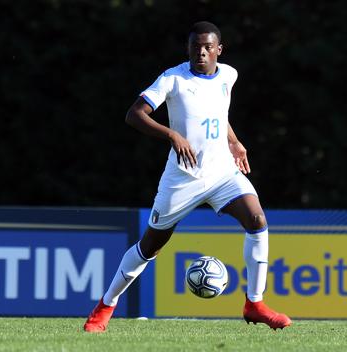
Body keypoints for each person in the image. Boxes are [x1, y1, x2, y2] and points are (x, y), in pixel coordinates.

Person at [83, 21, 292, 332]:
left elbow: (218, 113)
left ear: (219, 50)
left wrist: (233, 141)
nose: (202, 52)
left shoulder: (229, 75)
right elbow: (134, 114)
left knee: (257, 220)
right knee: (149, 246)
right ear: (189, 49)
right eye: (196, 47)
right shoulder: (173, 79)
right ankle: (105, 307)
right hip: (183, 178)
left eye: (208, 47)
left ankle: (255, 304)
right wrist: (172, 135)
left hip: (222, 172)